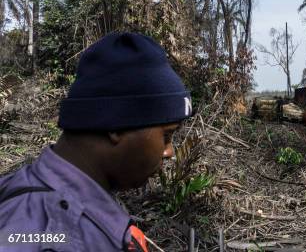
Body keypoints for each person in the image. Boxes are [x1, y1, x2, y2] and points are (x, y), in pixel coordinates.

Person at [0, 32, 193, 251]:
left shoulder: (21, 190)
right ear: (116, 125)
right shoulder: (54, 237)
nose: (169, 152)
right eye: (166, 136)